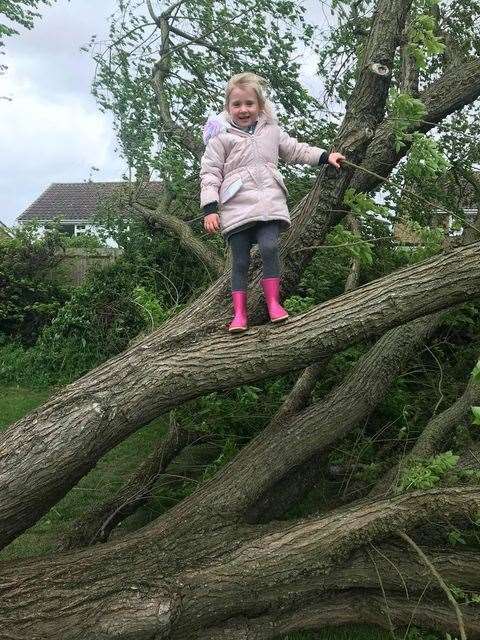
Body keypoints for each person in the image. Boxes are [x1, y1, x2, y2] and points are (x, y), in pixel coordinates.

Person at [200, 72, 345, 333]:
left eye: (249, 104)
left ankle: (273, 303)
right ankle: (240, 314)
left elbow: (295, 150)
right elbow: (210, 174)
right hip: (236, 208)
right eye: (237, 105)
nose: (243, 110)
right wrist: (210, 209)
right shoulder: (220, 138)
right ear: (228, 107)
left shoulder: (272, 131)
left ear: (260, 106)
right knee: (240, 261)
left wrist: (324, 156)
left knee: (270, 248)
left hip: (268, 205)